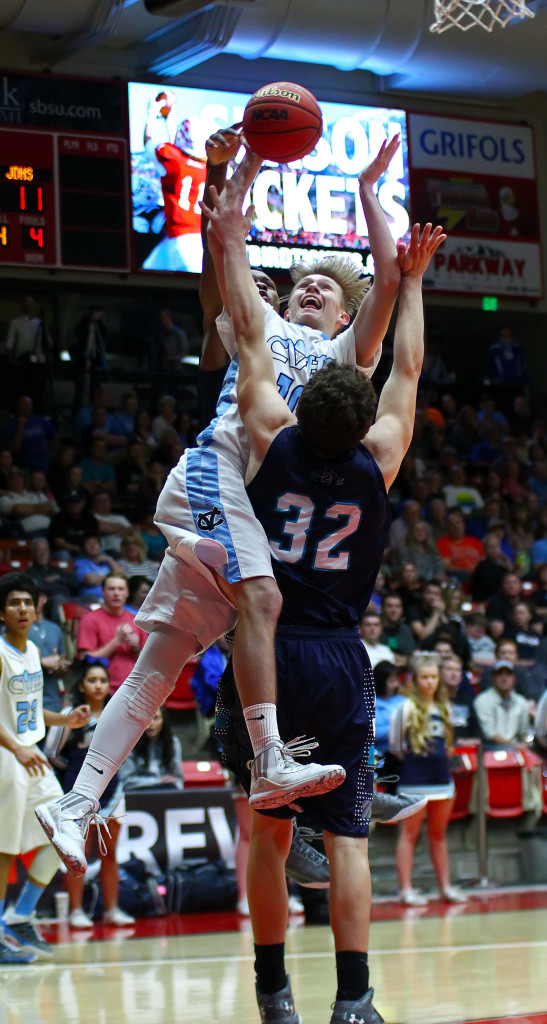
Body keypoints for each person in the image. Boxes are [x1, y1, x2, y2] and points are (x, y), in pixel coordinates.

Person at [34, 136, 404, 866]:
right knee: (263, 604)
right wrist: (248, 168)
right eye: (303, 281)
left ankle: (74, 803)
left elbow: (389, 280)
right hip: (215, 476)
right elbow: (227, 240)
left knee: (159, 664)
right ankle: (268, 758)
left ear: (344, 315)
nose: (310, 288)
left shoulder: (345, 358)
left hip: (250, 511)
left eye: (326, 287)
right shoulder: (255, 324)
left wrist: (367, 190)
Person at [200, 182, 444, 1020]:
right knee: (346, 841)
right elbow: (405, 367)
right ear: (366, 415)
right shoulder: (381, 456)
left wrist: (230, 237)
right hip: (339, 654)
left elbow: (250, 343)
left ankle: (273, 993)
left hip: (268, 655)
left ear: (301, 408)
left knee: (268, 836)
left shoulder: (270, 436)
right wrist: (411, 283)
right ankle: (354, 1001)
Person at [0, 573, 89, 963]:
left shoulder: (33, 652)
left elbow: (31, 712)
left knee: (64, 831)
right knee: (3, 850)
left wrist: (63, 721)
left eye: (27, 602)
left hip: (29, 754)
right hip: (7, 757)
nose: (22, 609)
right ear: (2, 612)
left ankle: (20, 914)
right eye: (14, 603)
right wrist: (17, 749)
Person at [45, 658, 134, 929]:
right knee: (78, 852)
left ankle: (111, 909)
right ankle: (76, 911)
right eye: (92, 680)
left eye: (103, 681)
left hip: (113, 787)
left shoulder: (117, 713)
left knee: (110, 853)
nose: (98, 686)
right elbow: (52, 753)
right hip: (78, 789)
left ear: (109, 686)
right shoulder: (70, 714)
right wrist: (75, 773)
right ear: (82, 686)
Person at [389, 654, 466, 906]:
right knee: (409, 834)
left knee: (438, 834)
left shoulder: (445, 707)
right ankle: (406, 890)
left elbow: (449, 744)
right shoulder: (406, 708)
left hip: (442, 780)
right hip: (414, 779)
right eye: (425, 677)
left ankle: (445, 887)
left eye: (433, 677)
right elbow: (396, 746)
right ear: (415, 679)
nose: (430, 682)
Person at [76, 574, 146, 692]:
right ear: (103, 592)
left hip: (134, 690)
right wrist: (116, 641)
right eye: (111, 589)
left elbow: (148, 662)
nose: (116, 593)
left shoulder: (137, 621)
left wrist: (136, 649)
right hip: (102, 691)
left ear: (127, 593)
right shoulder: (89, 619)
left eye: (120, 589)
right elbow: (85, 660)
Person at [119, 706, 183, 791]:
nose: (151, 723)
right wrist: (158, 781)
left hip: (165, 791)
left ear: (164, 721)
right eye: (147, 719)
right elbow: (126, 781)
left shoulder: (173, 743)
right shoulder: (130, 743)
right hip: (138, 791)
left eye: (156, 718)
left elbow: (178, 780)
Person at [474, 659, 531, 750]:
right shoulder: (482, 700)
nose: (504, 678)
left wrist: (528, 743)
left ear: (514, 679)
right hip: (491, 747)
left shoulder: (521, 701)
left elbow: (525, 732)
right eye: (499, 674)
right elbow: (490, 734)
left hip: (517, 747)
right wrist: (514, 746)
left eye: (508, 674)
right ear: (493, 678)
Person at [74, 534, 123, 602]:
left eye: (95, 543)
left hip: (112, 597)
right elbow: (91, 580)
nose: (93, 546)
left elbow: (121, 575)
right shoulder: (80, 563)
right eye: (89, 544)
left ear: (100, 546)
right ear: (83, 548)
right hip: (91, 599)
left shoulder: (107, 562)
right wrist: (113, 577)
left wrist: (110, 560)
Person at [379, 593, 415, 668]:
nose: (394, 610)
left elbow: (410, 656)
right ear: (382, 609)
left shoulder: (405, 630)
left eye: (397, 607)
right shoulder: (374, 627)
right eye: (390, 606)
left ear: (401, 610)